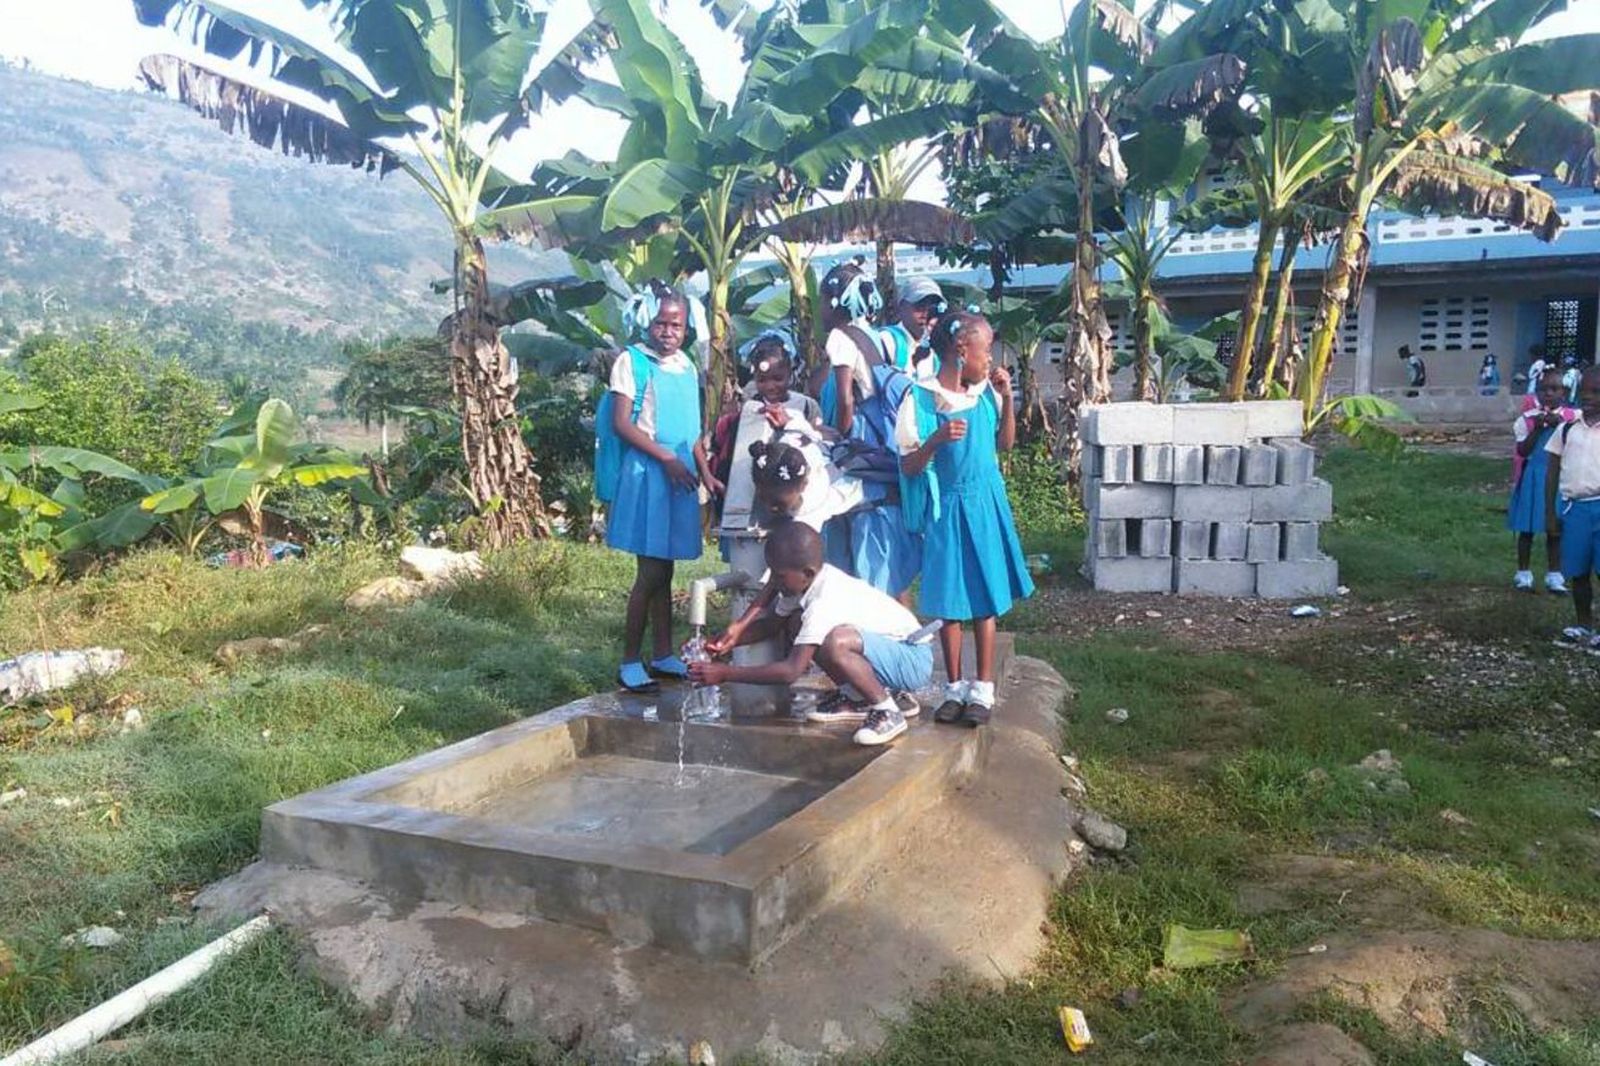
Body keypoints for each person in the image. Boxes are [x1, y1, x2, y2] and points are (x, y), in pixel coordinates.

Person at [896, 310, 1035, 726]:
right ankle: (954, 688)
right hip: (947, 509)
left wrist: (1009, 397)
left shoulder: (985, 395)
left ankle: (982, 688)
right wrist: (935, 441)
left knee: (984, 595)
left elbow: (1005, 444)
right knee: (947, 600)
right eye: (985, 350)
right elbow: (908, 466)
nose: (989, 359)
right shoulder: (919, 399)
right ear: (961, 350)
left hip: (985, 502)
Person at [692, 521, 933, 746]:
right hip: (890, 652)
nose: (773, 582)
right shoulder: (803, 585)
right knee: (796, 623)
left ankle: (887, 710)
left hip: (912, 658)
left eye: (779, 575)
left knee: (834, 642)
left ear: (806, 573)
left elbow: (791, 671)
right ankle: (856, 697)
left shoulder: (824, 601)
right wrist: (725, 642)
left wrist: (726, 673)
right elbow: (772, 625)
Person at [603, 281, 715, 692]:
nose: (669, 331)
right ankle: (630, 659)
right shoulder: (632, 362)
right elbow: (621, 423)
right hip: (650, 472)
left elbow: (694, 433)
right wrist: (665, 458)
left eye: (677, 324)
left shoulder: (686, 365)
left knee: (665, 570)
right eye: (661, 323)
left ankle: (664, 653)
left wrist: (705, 473)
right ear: (647, 322)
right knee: (650, 571)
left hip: (680, 472)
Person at [812, 258, 922, 600]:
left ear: (834, 301)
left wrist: (839, 438)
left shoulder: (839, 338)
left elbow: (845, 399)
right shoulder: (877, 337)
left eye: (820, 301)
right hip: (884, 438)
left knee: (857, 519)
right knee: (883, 537)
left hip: (860, 438)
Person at [1508, 369, 1578, 593]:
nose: (1548, 393)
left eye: (1554, 389)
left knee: (1555, 529)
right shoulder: (1527, 420)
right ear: (1536, 392)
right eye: (1542, 389)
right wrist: (1537, 430)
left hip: (1560, 477)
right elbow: (1523, 450)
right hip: (1534, 476)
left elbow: (1576, 449)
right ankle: (1523, 573)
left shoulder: (1573, 418)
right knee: (1526, 528)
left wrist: (1560, 427)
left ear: (1564, 392)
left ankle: (1555, 575)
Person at [1546, 366, 1600, 650]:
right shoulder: (1567, 429)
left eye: (1596, 392)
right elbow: (1552, 472)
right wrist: (1550, 514)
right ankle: (1583, 625)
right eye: (1585, 390)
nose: (1588, 397)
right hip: (1574, 509)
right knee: (1578, 573)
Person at [880, 276, 947, 381]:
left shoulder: (937, 353)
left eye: (933, 308)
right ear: (901, 306)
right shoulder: (887, 341)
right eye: (920, 305)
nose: (926, 314)